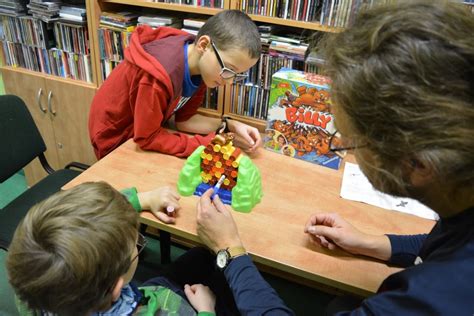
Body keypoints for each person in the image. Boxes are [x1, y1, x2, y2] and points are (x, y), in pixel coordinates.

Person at [195, 1, 474, 315]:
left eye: (348, 141)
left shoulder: (436, 298)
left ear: (419, 165)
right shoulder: (461, 205)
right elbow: (443, 241)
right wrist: (369, 242)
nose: (342, 147)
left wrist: (229, 251)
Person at [6, 182, 236, 315]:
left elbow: (82, 217)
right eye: (136, 244)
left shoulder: (34, 289)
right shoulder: (170, 307)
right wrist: (206, 310)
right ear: (116, 288)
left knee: (199, 257)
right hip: (175, 301)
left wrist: (141, 200)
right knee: (210, 266)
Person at [89, 10, 262, 159]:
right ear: (204, 45)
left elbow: (184, 121)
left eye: (237, 75)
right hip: (115, 139)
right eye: (228, 69)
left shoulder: (202, 68)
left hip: (141, 131)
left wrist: (229, 125)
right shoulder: (158, 76)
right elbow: (147, 138)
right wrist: (207, 144)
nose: (229, 81)